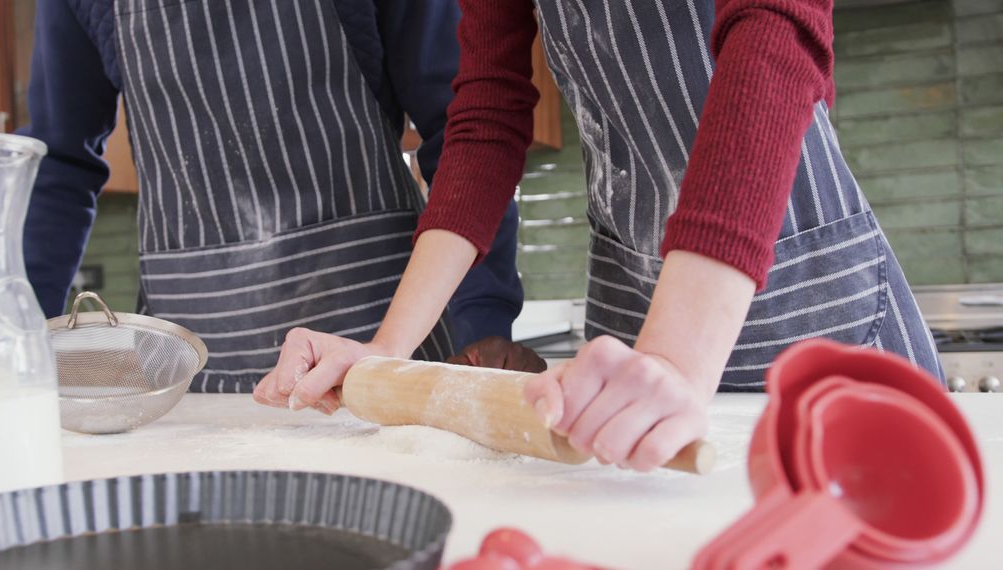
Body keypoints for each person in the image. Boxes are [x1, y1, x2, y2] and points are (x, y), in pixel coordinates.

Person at [255, 0, 943, 468]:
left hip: (801, 288)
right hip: (630, 307)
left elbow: (774, 30)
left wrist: (677, 354)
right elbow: (486, 115)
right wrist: (387, 351)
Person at [20, 0, 537, 394]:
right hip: (194, 374)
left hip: (381, 358)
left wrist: (481, 321)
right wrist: (12, 340)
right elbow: (57, 166)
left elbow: (466, 130)